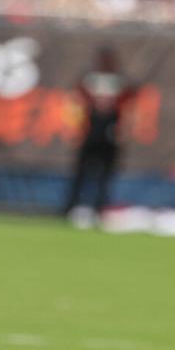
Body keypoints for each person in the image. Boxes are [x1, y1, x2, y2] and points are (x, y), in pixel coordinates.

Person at [61, 46, 136, 225]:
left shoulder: (120, 81)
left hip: (110, 128)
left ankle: (98, 208)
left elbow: (129, 103)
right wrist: (75, 127)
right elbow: (76, 100)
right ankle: (71, 207)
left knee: (105, 174)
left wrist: (124, 128)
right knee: (81, 172)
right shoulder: (89, 79)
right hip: (92, 127)